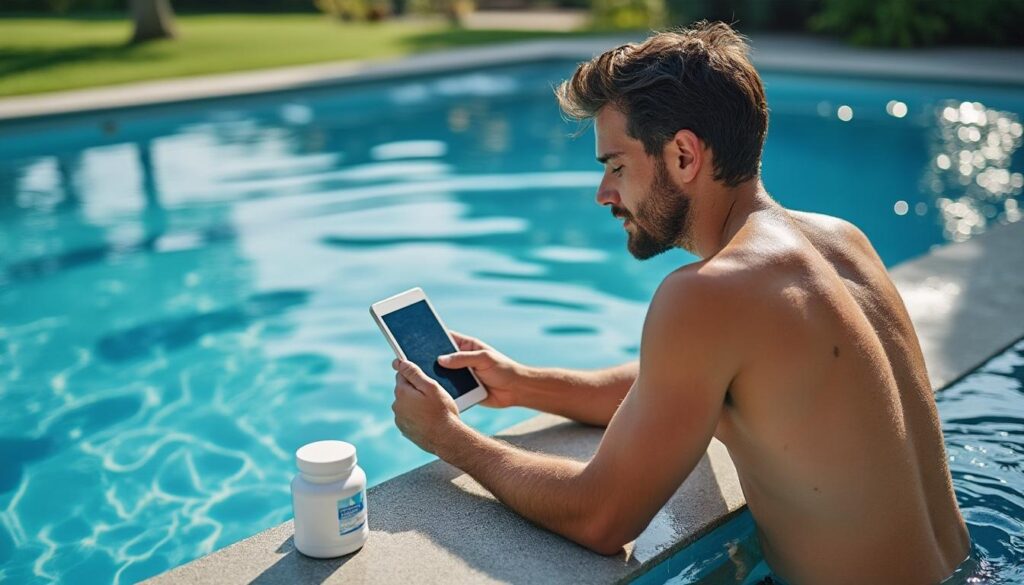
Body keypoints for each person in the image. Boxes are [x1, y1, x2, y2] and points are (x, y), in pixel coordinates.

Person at [389, 21, 970, 584]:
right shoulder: (843, 242)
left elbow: (601, 517)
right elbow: (678, 385)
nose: (604, 194)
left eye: (617, 166)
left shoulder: (710, 293)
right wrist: (522, 383)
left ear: (685, 156)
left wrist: (450, 438)